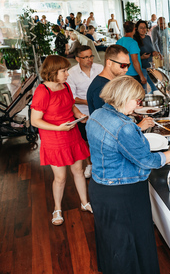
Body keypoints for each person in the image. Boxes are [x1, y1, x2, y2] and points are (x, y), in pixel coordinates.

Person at [86, 75, 170, 274]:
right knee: (131, 241)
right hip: (123, 194)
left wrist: (137, 129)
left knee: (112, 239)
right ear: (124, 97)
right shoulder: (124, 127)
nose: (138, 105)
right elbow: (146, 161)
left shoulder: (97, 114)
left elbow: (113, 146)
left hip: (100, 187)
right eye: (137, 100)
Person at [30, 55, 92, 226]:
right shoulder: (43, 91)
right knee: (61, 177)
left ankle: (84, 202)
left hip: (71, 133)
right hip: (54, 137)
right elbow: (35, 121)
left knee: (79, 170)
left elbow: (71, 104)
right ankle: (57, 208)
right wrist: (58, 128)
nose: (67, 74)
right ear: (52, 72)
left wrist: (79, 115)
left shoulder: (64, 86)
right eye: (64, 71)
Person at [86, 45, 155, 131]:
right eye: (122, 65)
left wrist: (132, 109)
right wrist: (139, 127)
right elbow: (108, 124)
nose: (126, 69)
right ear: (109, 63)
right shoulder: (101, 87)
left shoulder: (113, 83)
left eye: (128, 65)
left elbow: (116, 110)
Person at [67, 46, 104, 178]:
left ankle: (102, 163)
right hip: (83, 113)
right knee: (87, 140)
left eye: (91, 56)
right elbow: (72, 98)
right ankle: (90, 164)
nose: (90, 60)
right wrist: (90, 101)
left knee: (101, 138)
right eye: (86, 57)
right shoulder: (71, 74)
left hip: (102, 111)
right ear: (77, 59)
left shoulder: (100, 69)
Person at [133, 20, 159, 93]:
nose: (143, 30)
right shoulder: (134, 40)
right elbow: (132, 57)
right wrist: (142, 57)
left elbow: (151, 49)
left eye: (145, 27)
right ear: (137, 29)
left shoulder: (148, 38)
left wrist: (154, 52)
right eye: (141, 28)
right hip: (141, 69)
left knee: (155, 88)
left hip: (150, 68)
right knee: (143, 91)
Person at [118, 21, 146, 86]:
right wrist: (141, 76)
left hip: (122, 73)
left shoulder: (119, 41)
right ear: (134, 29)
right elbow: (135, 61)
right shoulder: (133, 43)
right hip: (133, 75)